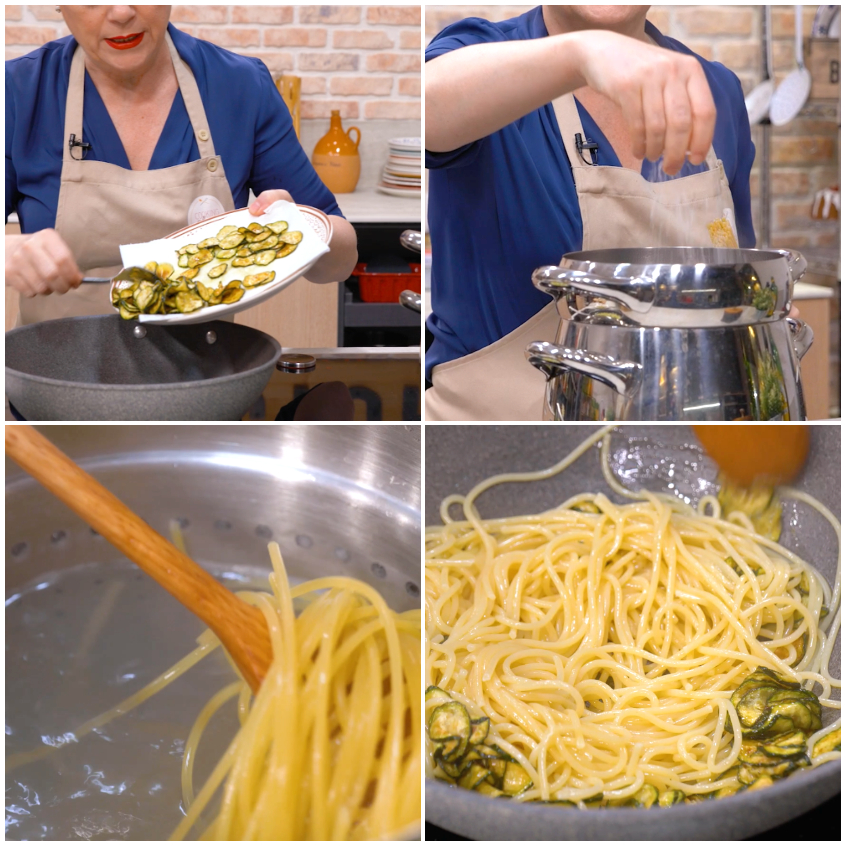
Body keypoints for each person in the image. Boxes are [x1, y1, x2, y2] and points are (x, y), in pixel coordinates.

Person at [5, 5, 357, 420]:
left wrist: (297, 231)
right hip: (54, 404)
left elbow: (342, 257)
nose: (121, 12)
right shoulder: (18, 93)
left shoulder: (239, 86)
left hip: (205, 399)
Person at [424, 5, 756, 420]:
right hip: (496, 436)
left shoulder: (716, 90)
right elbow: (426, 106)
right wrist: (582, 54)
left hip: (686, 432)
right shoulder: (482, 54)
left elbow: (739, 276)